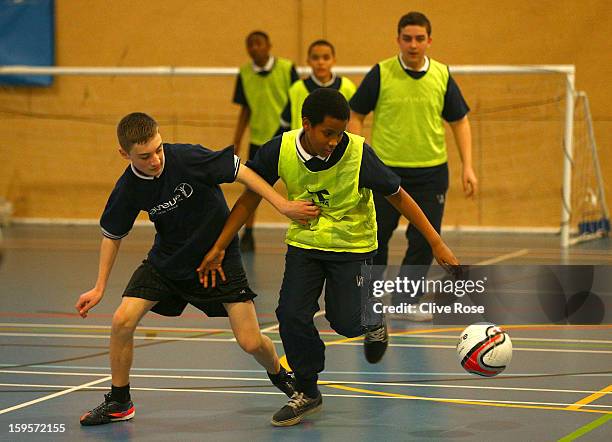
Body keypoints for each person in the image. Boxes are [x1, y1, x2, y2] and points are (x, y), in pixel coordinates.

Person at [198, 89, 459, 426]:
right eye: (328, 133)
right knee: (290, 314)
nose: (336, 140)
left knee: (345, 322)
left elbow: (398, 196)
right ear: (307, 125)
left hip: (354, 247)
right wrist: (220, 244)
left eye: (341, 132)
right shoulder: (280, 149)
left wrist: (436, 243)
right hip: (306, 244)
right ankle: (307, 390)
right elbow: (250, 197)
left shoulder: (358, 153)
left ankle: (372, 318)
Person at [75, 112, 319, 426]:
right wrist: (99, 287)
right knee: (122, 320)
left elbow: (242, 172)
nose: (156, 160)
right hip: (168, 262)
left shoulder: (188, 158)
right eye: (145, 156)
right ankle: (119, 401)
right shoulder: (129, 187)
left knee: (250, 342)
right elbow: (112, 235)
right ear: (125, 154)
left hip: (217, 259)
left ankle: (278, 372)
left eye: (159, 149)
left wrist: (282, 204)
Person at [348, 12, 477, 319]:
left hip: (431, 173)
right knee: (375, 238)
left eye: (420, 39)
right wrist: (359, 150)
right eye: (407, 38)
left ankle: (406, 301)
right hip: (385, 172)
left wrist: (468, 166)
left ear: (429, 41)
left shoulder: (442, 75)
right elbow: (355, 113)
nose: (413, 44)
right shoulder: (381, 73)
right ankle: (368, 300)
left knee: (423, 240)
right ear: (398, 40)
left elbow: (460, 121)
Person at [233, 30, 299, 252]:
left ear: (269, 45)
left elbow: (298, 99)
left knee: (299, 186)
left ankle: (305, 230)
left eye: (258, 43)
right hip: (259, 141)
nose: (254, 48)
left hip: (287, 139)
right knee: (253, 188)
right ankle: (248, 233)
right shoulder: (244, 73)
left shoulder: (287, 69)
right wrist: (237, 139)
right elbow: (245, 110)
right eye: (249, 44)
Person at [279, 39, 356, 131]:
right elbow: (285, 123)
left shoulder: (348, 87)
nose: (320, 62)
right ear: (308, 61)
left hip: (339, 144)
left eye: (326, 58)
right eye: (315, 58)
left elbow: (354, 122)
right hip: (302, 144)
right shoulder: (297, 89)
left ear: (334, 60)